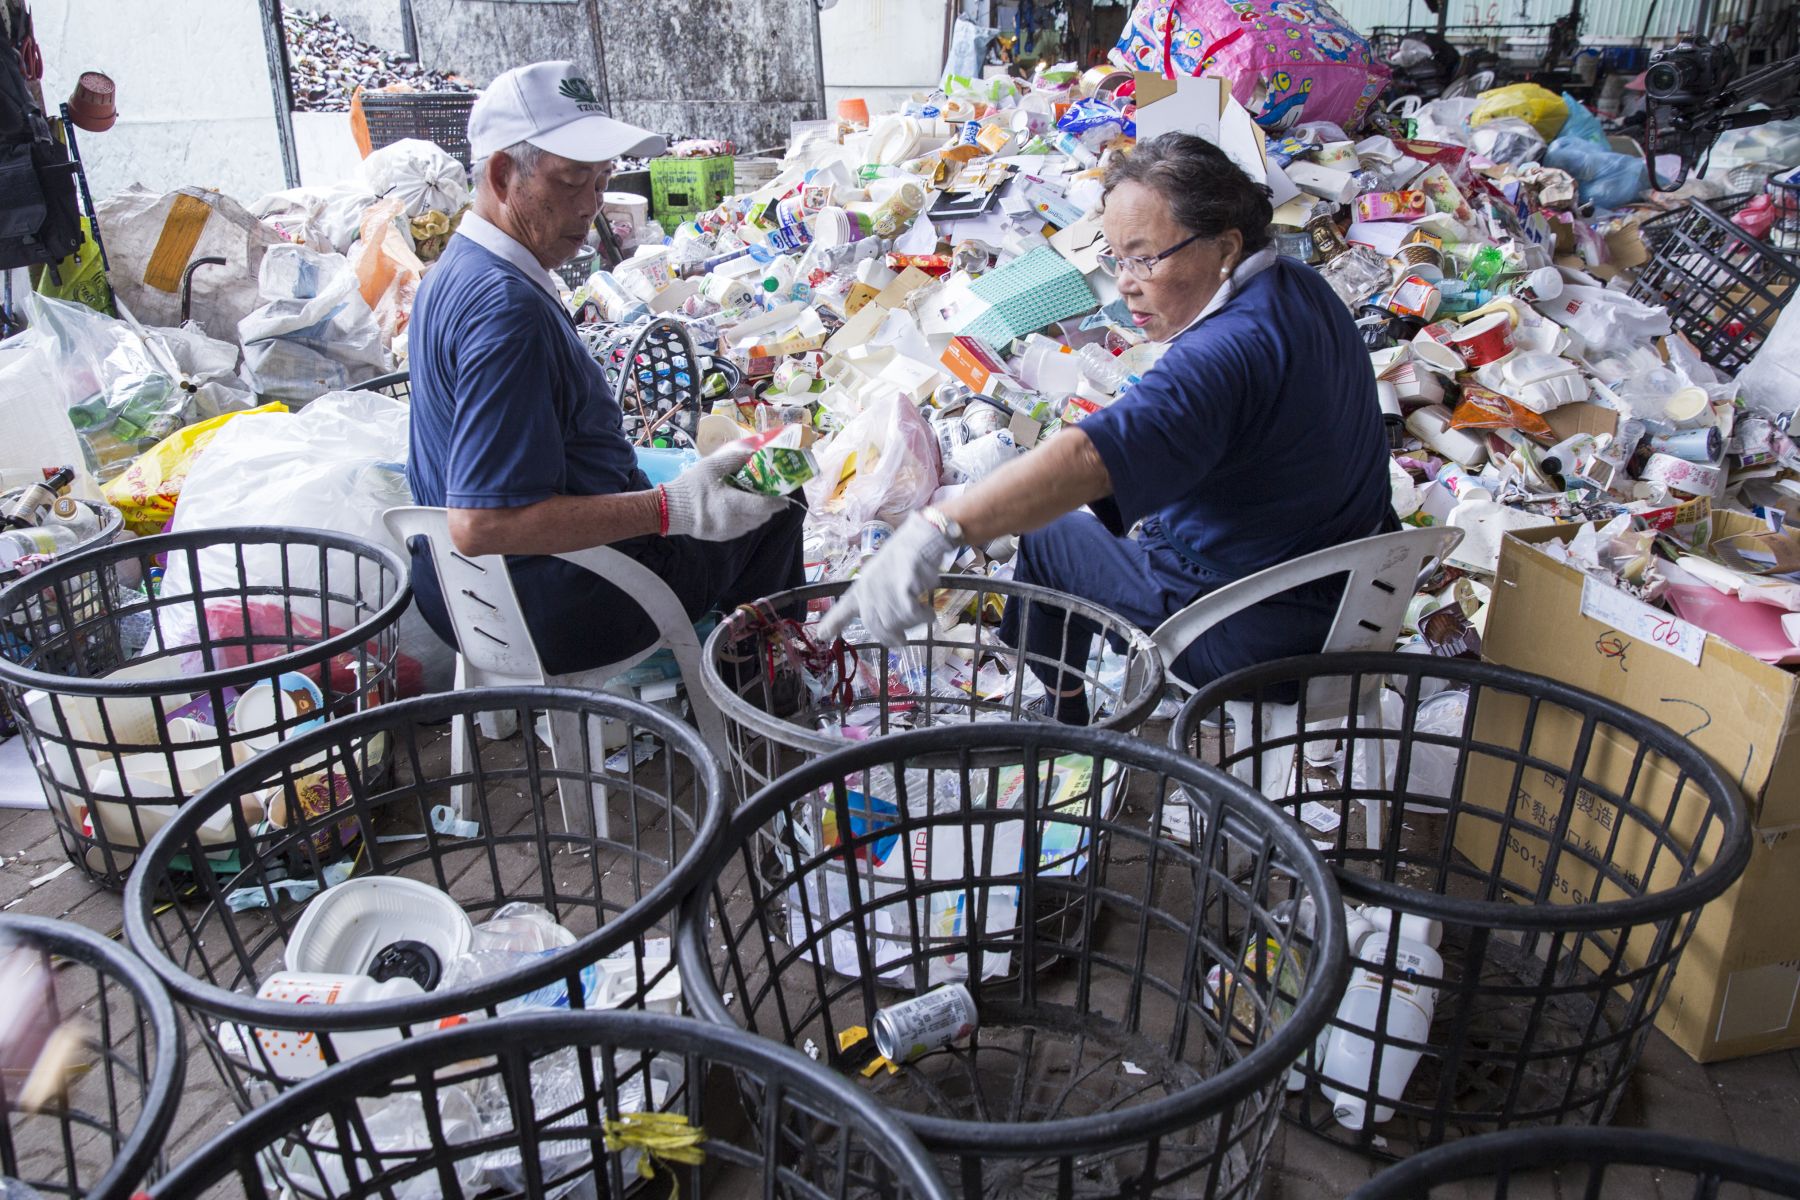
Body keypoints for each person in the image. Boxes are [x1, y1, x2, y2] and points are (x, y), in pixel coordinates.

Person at [821, 133, 1394, 720]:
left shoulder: (1225, 353)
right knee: (1117, 521)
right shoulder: (1300, 287)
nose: (1124, 282)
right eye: (1117, 259)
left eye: (1145, 258)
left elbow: (1088, 458)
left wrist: (937, 528)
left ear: (1225, 246)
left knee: (1048, 536)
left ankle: (1064, 716)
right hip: (1359, 595)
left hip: (1256, 629)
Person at [407, 61, 804, 677]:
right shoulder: (507, 311)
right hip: (562, 603)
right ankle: (760, 694)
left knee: (729, 471)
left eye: (602, 181)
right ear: (502, 175)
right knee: (779, 486)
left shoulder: (454, 270)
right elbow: (481, 523)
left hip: (462, 598)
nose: (592, 207)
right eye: (571, 182)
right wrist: (666, 509)